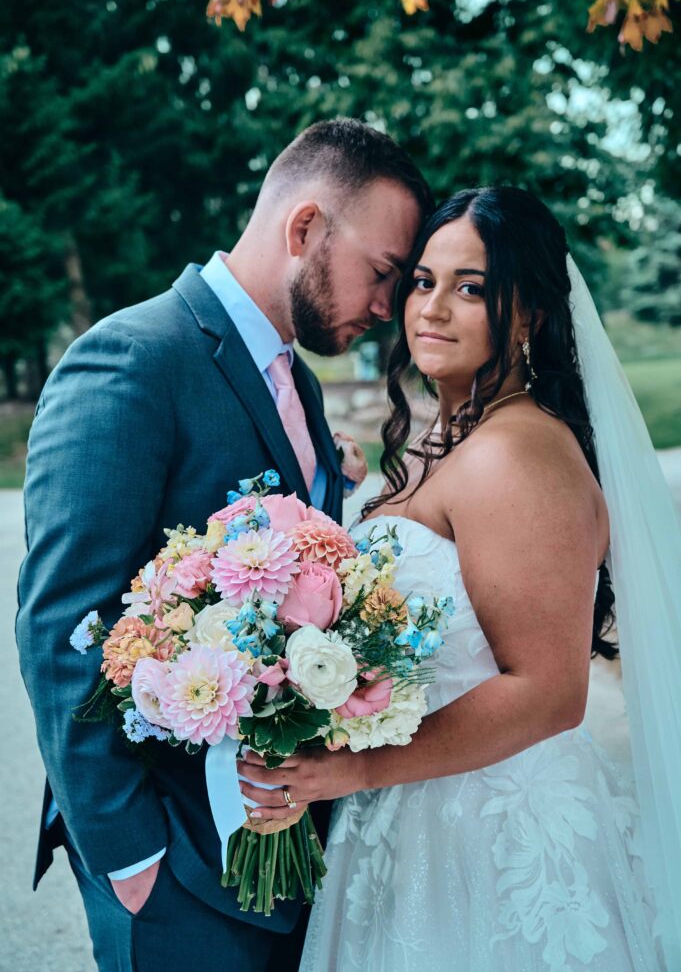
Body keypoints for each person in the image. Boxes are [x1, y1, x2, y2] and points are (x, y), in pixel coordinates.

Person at [15, 118, 431, 972]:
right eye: (383, 273)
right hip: (174, 875)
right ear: (305, 227)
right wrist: (134, 862)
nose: (389, 307)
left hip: (280, 855)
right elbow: (61, 624)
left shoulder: (299, 385)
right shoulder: (132, 359)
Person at [237, 187, 680, 971]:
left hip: (490, 839)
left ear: (528, 314)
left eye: (470, 287)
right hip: (410, 817)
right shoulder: (449, 439)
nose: (432, 308)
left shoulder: (515, 452)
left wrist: (356, 768)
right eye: (421, 281)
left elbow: (547, 692)